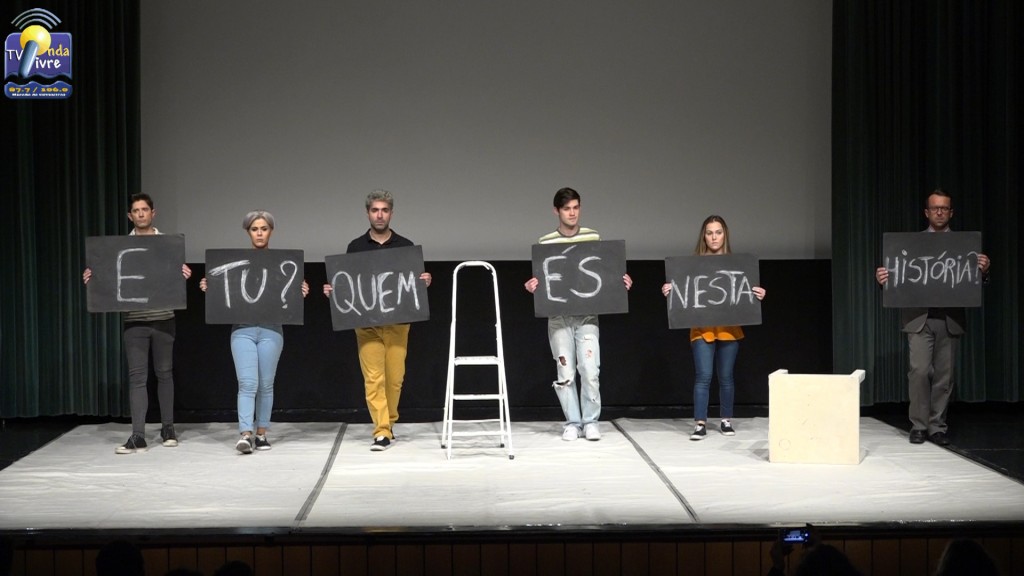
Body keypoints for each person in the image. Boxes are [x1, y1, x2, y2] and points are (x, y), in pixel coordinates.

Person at [875, 189, 990, 445]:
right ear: (927, 212)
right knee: (919, 371)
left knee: (944, 377)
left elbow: (970, 282)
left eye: (944, 208)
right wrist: (884, 280)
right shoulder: (910, 245)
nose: (939, 212)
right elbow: (900, 277)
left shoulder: (964, 247)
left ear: (951, 212)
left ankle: (937, 426)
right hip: (919, 317)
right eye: (935, 208)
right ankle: (919, 425)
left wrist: (982, 272)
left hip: (950, 318)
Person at [83, 193, 192, 454]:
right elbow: (108, 278)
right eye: (136, 210)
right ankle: (138, 435)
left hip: (164, 318)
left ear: (153, 213)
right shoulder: (119, 248)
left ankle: (168, 428)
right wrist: (93, 278)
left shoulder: (168, 245)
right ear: (130, 216)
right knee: (137, 377)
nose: (141, 213)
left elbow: (174, 277)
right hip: (135, 320)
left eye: (145, 209)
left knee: (164, 373)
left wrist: (183, 274)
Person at [323, 190, 431, 451]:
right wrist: (334, 290)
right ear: (368, 213)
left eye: (384, 210)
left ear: (391, 213)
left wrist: (424, 281)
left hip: (398, 323)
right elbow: (348, 284)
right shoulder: (356, 247)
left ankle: (389, 424)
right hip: (367, 324)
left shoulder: (405, 246)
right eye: (375, 210)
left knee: (394, 379)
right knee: (374, 378)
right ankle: (381, 430)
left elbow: (411, 284)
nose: (379, 215)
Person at [523, 187, 632, 442]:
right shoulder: (546, 242)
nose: (572, 213)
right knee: (565, 373)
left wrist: (620, 282)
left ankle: (591, 421)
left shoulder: (592, 237)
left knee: (590, 369)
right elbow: (545, 278)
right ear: (556, 211)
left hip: (587, 315)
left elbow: (602, 271)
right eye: (567, 209)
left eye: (575, 208)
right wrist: (533, 286)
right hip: (558, 316)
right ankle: (572, 422)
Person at [200, 210, 309, 454]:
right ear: (248, 232)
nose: (259, 233)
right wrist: (211, 287)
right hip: (243, 329)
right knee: (248, 383)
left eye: (264, 229)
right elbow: (224, 286)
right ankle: (245, 433)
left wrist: (298, 291)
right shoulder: (237, 263)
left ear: (271, 231)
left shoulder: (282, 265)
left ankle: (261, 433)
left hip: (272, 329)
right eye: (254, 229)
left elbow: (288, 292)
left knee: (266, 384)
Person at [661, 215, 765, 440]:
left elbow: (746, 290)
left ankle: (726, 420)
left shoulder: (737, 265)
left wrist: (758, 294)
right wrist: (670, 290)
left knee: (726, 377)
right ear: (704, 237)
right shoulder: (692, 265)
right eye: (709, 233)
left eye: (718, 232)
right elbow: (682, 290)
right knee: (703, 376)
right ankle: (700, 423)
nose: (714, 237)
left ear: (725, 235)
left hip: (729, 328)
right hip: (702, 328)